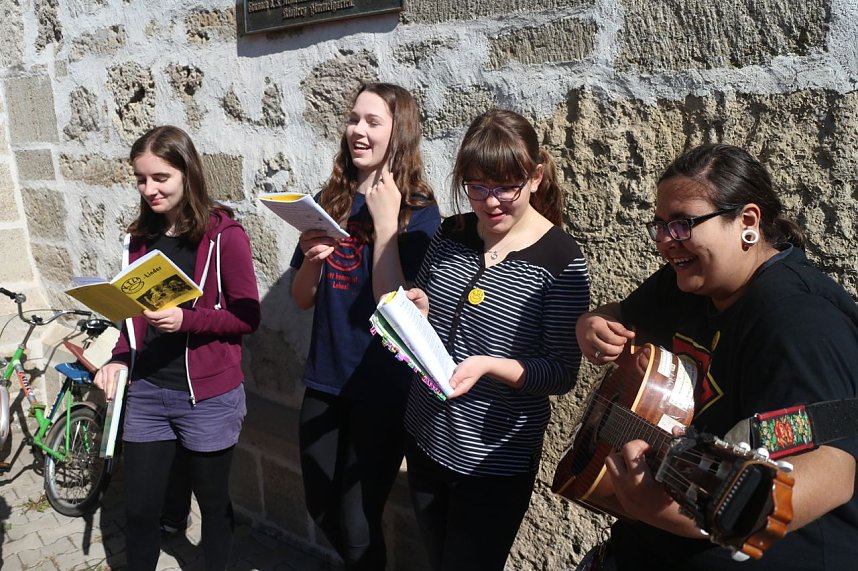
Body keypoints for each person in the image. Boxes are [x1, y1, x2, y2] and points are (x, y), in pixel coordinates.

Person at [575, 143, 858, 570]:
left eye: (684, 224)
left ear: (747, 221)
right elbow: (619, 316)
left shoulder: (798, 322)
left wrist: (662, 510)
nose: (666, 243)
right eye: (661, 225)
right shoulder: (686, 282)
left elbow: (835, 474)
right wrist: (593, 323)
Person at [394, 109, 590, 571]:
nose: (490, 202)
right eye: (477, 187)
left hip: (493, 461)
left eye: (506, 187)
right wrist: (417, 310)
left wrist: (489, 365)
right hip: (425, 437)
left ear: (536, 177)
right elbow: (426, 310)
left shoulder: (561, 260)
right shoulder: (451, 233)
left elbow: (561, 373)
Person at [94, 125, 261, 571]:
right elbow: (133, 325)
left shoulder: (225, 235)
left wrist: (187, 319)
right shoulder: (138, 240)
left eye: (160, 178)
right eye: (141, 179)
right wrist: (117, 359)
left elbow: (248, 316)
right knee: (139, 510)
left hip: (206, 397)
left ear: (187, 173)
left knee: (212, 504)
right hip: (147, 392)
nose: (149, 189)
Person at [290, 82, 441, 570]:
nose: (357, 129)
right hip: (326, 377)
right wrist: (313, 260)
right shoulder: (328, 198)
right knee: (319, 502)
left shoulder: (419, 211)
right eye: (354, 118)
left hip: (382, 386)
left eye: (372, 121)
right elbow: (301, 298)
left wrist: (385, 226)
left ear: (399, 133)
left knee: (358, 521)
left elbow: (397, 307)